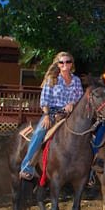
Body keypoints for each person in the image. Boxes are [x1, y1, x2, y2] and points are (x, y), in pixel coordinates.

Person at [19, 51, 83, 180]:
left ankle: (89, 170)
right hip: (53, 113)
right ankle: (27, 167)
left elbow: (80, 97)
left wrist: (72, 103)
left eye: (67, 62)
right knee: (39, 132)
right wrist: (47, 115)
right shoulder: (52, 79)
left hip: (71, 115)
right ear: (58, 65)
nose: (65, 64)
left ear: (71, 64)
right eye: (62, 62)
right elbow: (45, 100)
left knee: (88, 133)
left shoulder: (76, 80)